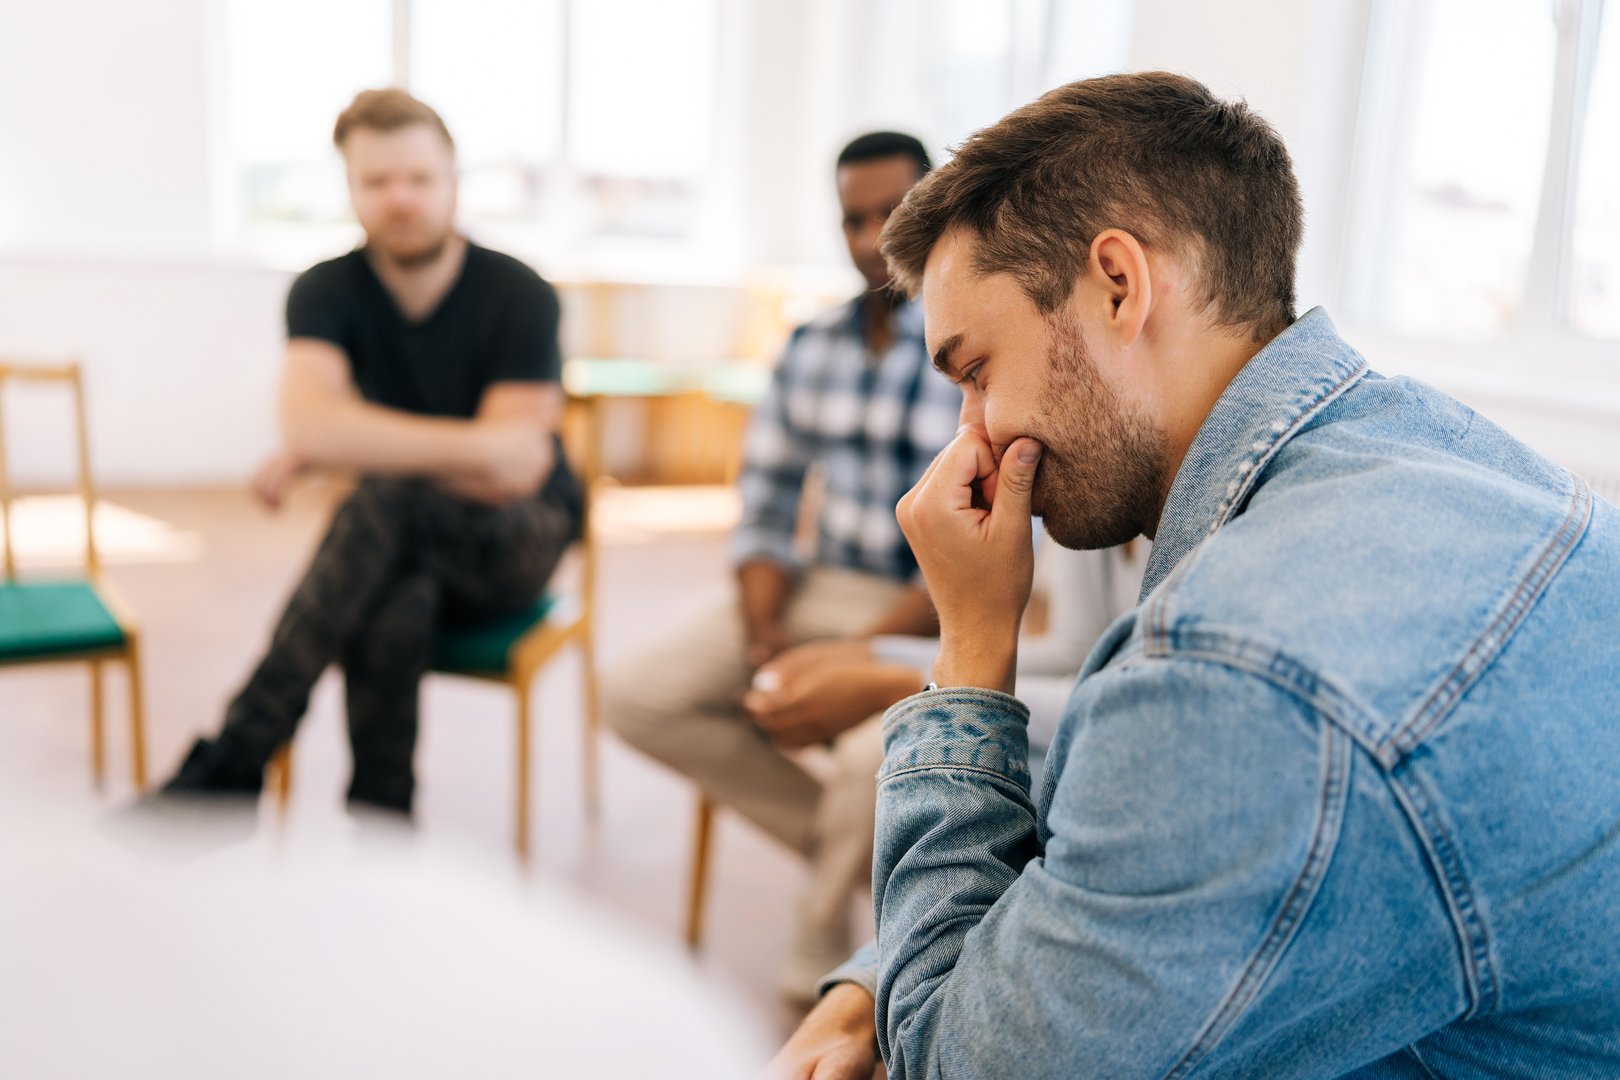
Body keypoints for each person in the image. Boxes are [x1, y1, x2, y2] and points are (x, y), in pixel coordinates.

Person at [770, 72, 1620, 1078]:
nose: (973, 438)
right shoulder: (1436, 448)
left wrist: (968, 654)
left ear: (1119, 285)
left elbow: (964, 1063)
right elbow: (1135, 825)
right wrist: (878, 979)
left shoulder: (1235, 665)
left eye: (976, 372)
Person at [601, 132, 959, 1000]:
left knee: (865, 758)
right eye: (852, 218)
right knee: (633, 693)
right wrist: (767, 634)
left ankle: (820, 948)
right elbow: (763, 506)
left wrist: (852, 659)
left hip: (930, 605)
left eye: (892, 213)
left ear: (936, 211)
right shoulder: (812, 344)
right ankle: (841, 849)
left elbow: (980, 543)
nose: (872, 238)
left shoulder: (970, 345)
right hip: (815, 586)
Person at [160, 89, 582, 815]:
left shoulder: (520, 293)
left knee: (379, 505)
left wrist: (347, 440)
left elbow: (511, 473)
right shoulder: (326, 289)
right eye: (376, 181)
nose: (400, 199)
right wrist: (341, 441)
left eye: (419, 179)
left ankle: (233, 763)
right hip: (405, 541)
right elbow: (317, 428)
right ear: (350, 188)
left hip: (519, 534)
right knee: (395, 600)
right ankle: (380, 825)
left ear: (453, 182)